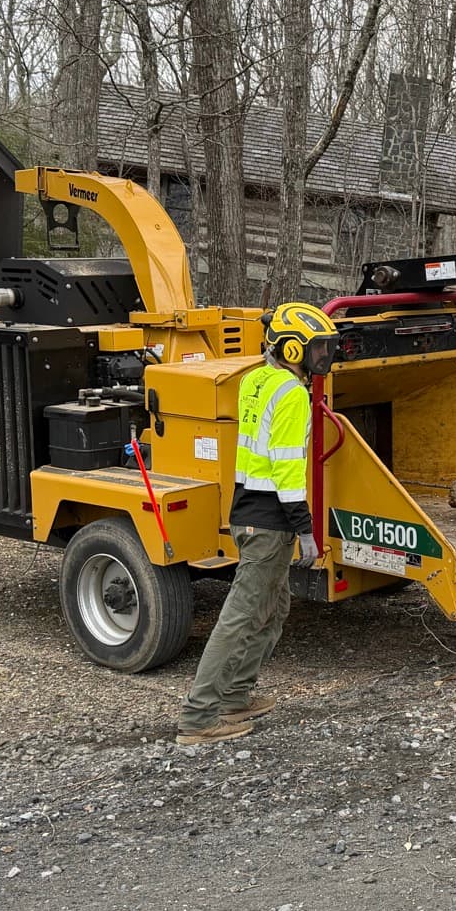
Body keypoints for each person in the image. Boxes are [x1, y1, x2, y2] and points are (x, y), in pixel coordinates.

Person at [176, 300, 336, 747]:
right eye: (317, 350)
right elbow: (286, 467)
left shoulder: (255, 379)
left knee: (272, 608)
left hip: (249, 511)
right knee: (242, 615)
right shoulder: (291, 392)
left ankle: (236, 696)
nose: (324, 359)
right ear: (289, 350)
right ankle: (199, 716)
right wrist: (305, 530)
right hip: (270, 519)